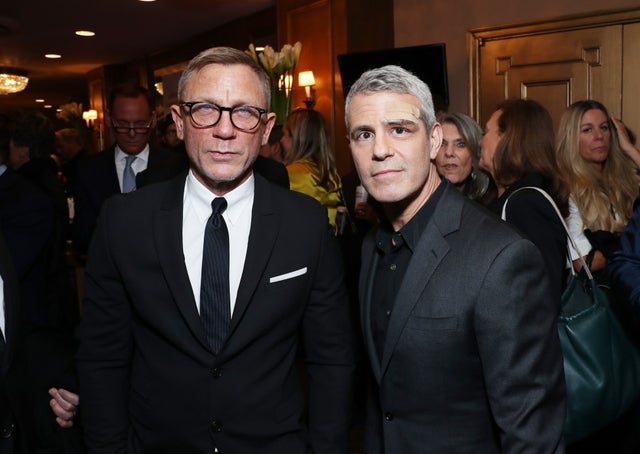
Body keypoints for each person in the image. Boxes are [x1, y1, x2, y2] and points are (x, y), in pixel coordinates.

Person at [53, 46, 354, 453]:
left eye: (244, 112)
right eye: (206, 109)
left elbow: (332, 357)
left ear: (266, 128)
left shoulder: (305, 223)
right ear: (179, 122)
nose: (224, 130)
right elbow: (102, 356)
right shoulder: (124, 221)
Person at [345, 64, 565, 453]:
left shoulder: (501, 256)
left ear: (433, 141)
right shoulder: (371, 246)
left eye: (399, 130)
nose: (380, 149)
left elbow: (532, 434)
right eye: (364, 134)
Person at [480, 99, 569, 301]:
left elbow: (542, 293)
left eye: (486, 132)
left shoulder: (526, 203)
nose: (480, 141)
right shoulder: (500, 195)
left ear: (507, 139)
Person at [72, 83, 175, 256]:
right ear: (108, 119)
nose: (132, 133)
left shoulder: (175, 167)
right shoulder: (88, 170)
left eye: (140, 124)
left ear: (153, 120)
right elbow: (82, 236)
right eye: (122, 124)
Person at [556, 100, 640, 274]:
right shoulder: (566, 189)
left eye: (604, 128)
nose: (599, 136)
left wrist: (630, 150)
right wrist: (631, 249)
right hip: (602, 287)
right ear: (571, 137)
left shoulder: (626, 181)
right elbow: (584, 263)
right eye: (587, 130)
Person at [281, 108, 343, 233]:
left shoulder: (293, 174)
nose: (281, 140)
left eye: (285, 134)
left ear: (297, 139)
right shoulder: (331, 175)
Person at [436, 112, 495, 205]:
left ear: (475, 154)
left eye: (461, 144)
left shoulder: (489, 205)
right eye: (442, 144)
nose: (449, 152)